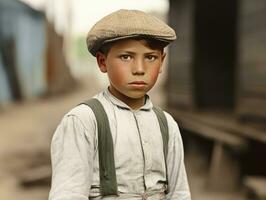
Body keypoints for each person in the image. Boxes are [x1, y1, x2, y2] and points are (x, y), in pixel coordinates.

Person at [49, 9, 191, 200]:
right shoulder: (84, 121)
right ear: (102, 62)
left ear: (162, 61)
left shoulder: (166, 124)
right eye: (126, 57)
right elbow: (68, 194)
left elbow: (180, 193)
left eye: (150, 57)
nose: (139, 69)